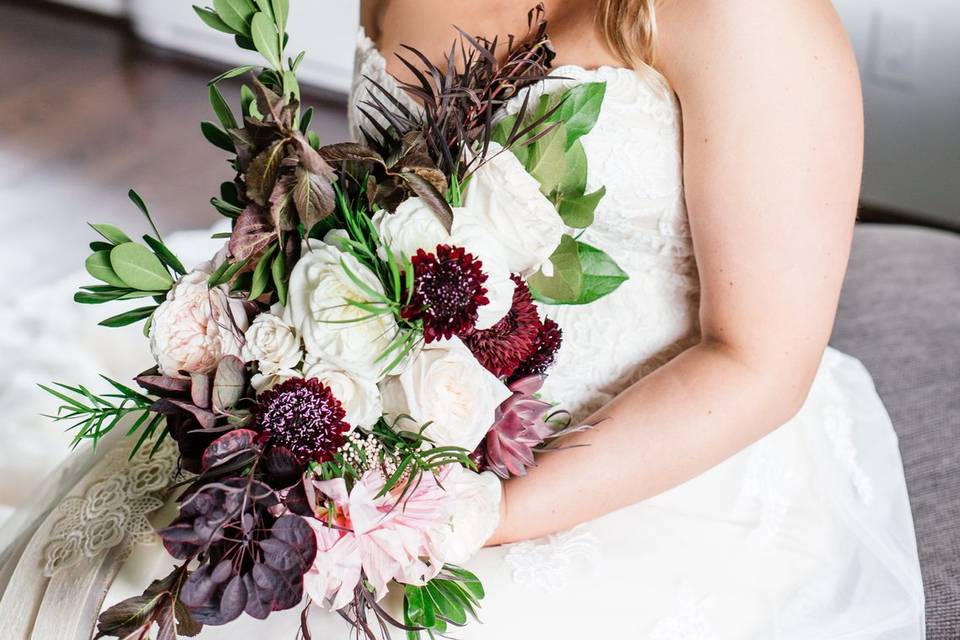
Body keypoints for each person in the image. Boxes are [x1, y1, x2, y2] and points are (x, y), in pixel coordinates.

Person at [0, 1, 924, 637]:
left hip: (652, 461)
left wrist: (455, 518)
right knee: (137, 565)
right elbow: (359, 212)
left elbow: (757, 360)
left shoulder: (751, 20)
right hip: (377, 418)